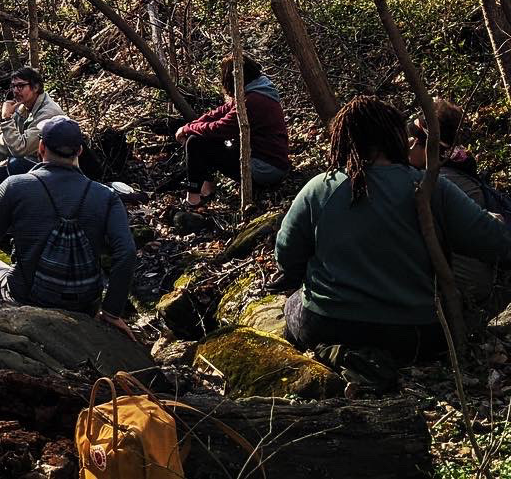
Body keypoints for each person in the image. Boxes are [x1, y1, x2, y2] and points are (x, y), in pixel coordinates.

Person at [275, 96, 511, 363]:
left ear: (343, 139)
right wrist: (495, 222)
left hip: (327, 324)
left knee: (292, 303)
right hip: (415, 335)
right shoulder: (430, 187)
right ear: (396, 136)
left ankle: (339, 355)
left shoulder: (320, 187)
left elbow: (286, 255)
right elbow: (494, 241)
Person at [0, 117, 137, 337]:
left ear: (41, 147)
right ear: (79, 151)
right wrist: (111, 311)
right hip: (85, 305)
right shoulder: (107, 196)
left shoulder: (16, 186)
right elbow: (126, 253)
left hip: (28, 297)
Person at [407, 99, 508, 308]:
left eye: (414, 139)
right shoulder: (457, 166)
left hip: (471, 290)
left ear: (430, 144)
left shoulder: (439, 182)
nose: (408, 144)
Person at [175, 54, 290, 207]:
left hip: (266, 169)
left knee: (196, 142)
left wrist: (188, 129)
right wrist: (192, 125)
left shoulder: (251, 102)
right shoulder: (258, 89)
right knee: (201, 137)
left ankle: (193, 198)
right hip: (269, 161)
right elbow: (221, 111)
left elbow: (219, 129)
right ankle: (206, 188)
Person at [0, 67, 69, 200]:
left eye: (20, 86)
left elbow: (20, 149)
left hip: (53, 177)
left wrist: (7, 119)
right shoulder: (23, 107)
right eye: (13, 86)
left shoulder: (48, 113)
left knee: (16, 163)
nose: (15, 91)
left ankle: (17, 214)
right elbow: (5, 143)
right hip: (33, 172)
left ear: (35, 87)